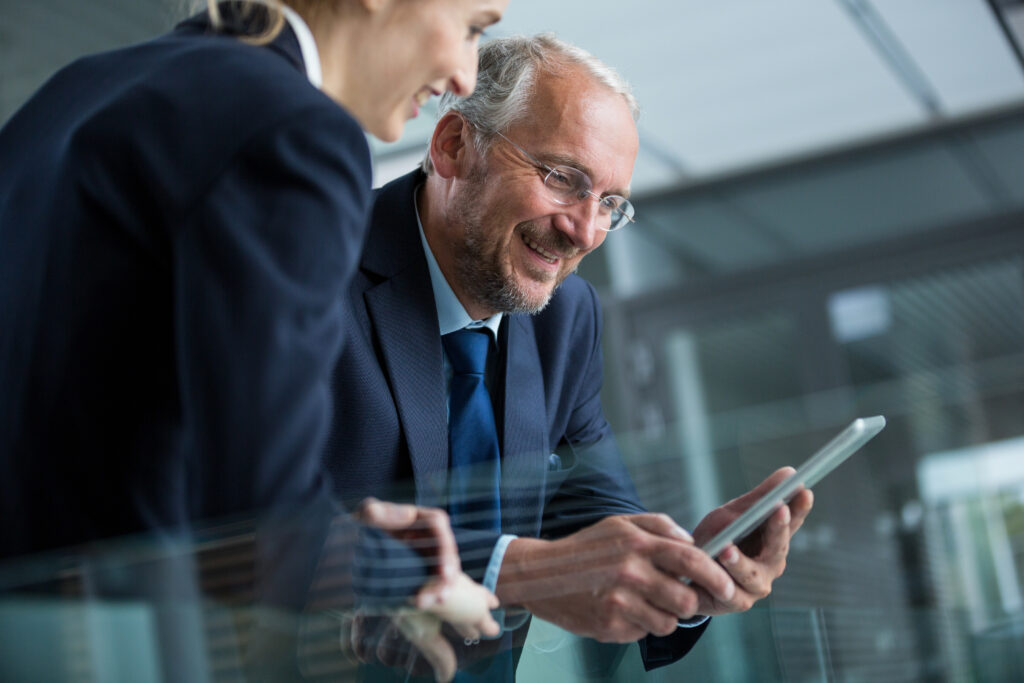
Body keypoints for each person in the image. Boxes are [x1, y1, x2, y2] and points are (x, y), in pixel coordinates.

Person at [0, 0, 508, 680]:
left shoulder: (81, 86)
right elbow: (258, 531)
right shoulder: (298, 132)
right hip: (107, 649)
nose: (464, 76)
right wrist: (414, 573)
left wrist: (342, 534)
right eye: (472, 27)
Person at [323, 33, 815, 679]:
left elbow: (587, 509)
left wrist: (687, 567)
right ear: (452, 146)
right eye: (562, 178)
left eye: (610, 203)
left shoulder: (568, 316)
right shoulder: (308, 275)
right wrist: (511, 567)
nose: (584, 229)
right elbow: (246, 519)